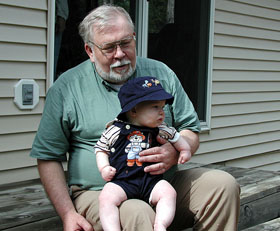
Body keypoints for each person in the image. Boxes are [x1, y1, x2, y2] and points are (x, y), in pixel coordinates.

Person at [30, 4, 240, 231]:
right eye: (109, 47)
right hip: (102, 194)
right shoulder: (66, 88)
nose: (120, 54)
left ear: (135, 38)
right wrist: (67, 213)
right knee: (135, 212)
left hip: (160, 186)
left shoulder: (161, 74)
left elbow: (190, 129)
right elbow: (48, 156)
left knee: (222, 185)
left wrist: (176, 149)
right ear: (90, 51)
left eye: (125, 43)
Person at [95, 76, 192, 231]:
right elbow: (101, 149)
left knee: (168, 192)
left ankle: (161, 224)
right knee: (106, 197)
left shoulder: (161, 129)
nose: (162, 112)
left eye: (162, 107)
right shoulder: (115, 129)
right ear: (133, 110)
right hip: (122, 180)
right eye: (155, 107)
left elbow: (177, 138)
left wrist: (185, 150)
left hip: (151, 181)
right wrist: (104, 168)